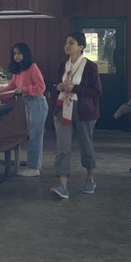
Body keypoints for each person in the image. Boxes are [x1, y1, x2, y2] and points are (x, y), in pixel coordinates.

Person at [0, 42, 47, 177]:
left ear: (25, 54)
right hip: (28, 103)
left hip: (38, 103)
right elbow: (10, 88)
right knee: (32, 134)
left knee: (35, 136)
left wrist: (24, 89)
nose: (16, 56)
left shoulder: (32, 67)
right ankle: (34, 165)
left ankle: (34, 168)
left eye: (19, 53)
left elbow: (41, 87)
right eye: (14, 53)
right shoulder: (18, 70)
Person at [51, 32, 102, 199]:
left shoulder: (89, 67)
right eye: (66, 43)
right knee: (62, 146)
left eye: (71, 43)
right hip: (63, 108)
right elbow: (57, 84)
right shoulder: (63, 66)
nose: (67, 46)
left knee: (86, 144)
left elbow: (96, 91)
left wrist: (75, 88)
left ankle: (90, 178)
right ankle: (63, 185)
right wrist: (58, 86)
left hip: (84, 110)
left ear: (81, 47)